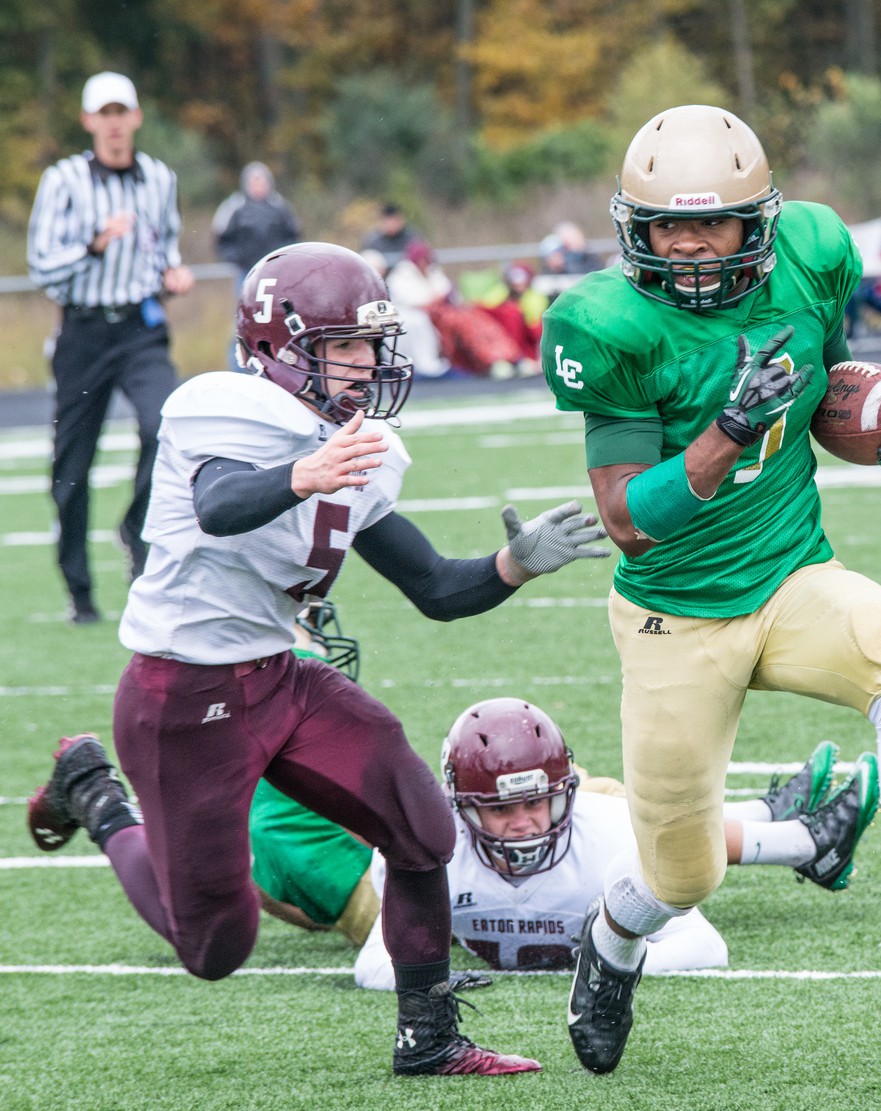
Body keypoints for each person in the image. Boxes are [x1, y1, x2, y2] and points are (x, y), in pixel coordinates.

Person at [540, 104, 881, 1074]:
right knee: (681, 872)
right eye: (667, 228)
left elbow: (820, 396)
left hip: (791, 577)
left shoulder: (814, 254)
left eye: (714, 225)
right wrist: (724, 431)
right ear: (632, 231)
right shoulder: (603, 322)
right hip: (674, 615)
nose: (690, 247)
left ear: (762, 224)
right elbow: (625, 518)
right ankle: (608, 947)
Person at [25, 241, 613, 1077]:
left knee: (421, 826)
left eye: (373, 345)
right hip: (182, 693)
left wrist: (514, 563)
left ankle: (429, 1037)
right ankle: (97, 796)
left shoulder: (352, 446)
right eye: (345, 346)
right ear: (277, 347)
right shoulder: (221, 408)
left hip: (280, 675)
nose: (367, 365)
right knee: (216, 945)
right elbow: (221, 503)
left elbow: (436, 589)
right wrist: (303, 473)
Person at [250, 686, 880, 988]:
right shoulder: (421, 852)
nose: (522, 825)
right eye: (498, 812)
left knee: (617, 809)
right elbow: (376, 963)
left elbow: (702, 944)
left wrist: (611, 960)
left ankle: (785, 827)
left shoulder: (602, 833)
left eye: (540, 803)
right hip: (434, 906)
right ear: (459, 810)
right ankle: (793, 832)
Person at [26, 71, 196, 623]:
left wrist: (172, 274)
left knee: (164, 425)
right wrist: (95, 246)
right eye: (106, 113)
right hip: (83, 332)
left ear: (137, 118)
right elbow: (43, 266)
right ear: (89, 121)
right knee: (73, 465)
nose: (115, 123)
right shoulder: (64, 180)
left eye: (124, 112)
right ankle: (80, 591)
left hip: (140, 329)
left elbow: (164, 244)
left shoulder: (159, 178)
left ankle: (135, 528)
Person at [387, 240, 521, 379]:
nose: (424, 263)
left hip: (445, 311)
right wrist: (435, 299)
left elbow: (446, 292)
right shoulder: (401, 276)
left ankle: (509, 357)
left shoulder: (433, 272)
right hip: (428, 316)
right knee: (463, 323)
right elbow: (413, 302)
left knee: (478, 317)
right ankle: (491, 360)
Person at [213, 161, 301, 370]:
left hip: (276, 276)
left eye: (261, 180)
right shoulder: (235, 207)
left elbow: (293, 236)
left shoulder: (279, 207)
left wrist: (283, 261)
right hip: (247, 275)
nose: (258, 185)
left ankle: (281, 367)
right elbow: (222, 239)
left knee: (280, 319)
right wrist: (239, 258)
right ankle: (239, 368)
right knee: (243, 321)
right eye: (254, 181)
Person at [477, 263, 548, 375]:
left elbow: (535, 329)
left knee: (526, 370)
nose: (518, 286)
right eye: (514, 283)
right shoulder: (503, 293)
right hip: (505, 347)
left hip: (526, 349)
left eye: (521, 282)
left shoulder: (535, 298)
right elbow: (485, 306)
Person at [360, 202, 420, 269]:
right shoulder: (373, 241)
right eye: (388, 221)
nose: (391, 225)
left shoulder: (412, 238)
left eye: (394, 220)